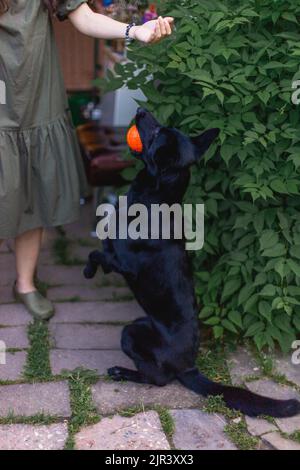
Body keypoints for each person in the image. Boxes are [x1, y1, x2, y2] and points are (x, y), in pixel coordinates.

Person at [0, 0, 174, 320]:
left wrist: (135, 31)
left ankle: (24, 284)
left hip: (36, 100)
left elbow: (85, 18)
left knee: (34, 195)